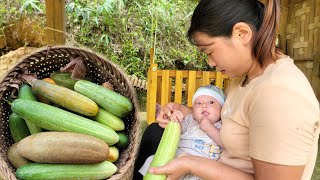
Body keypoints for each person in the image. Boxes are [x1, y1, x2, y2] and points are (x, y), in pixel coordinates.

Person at [133, 0, 320, 179]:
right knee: (154, 132)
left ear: (241, 34)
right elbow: (232, 120)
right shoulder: (243, 76)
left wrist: (192, 164)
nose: (210, 62)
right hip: (217, 163)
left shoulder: (280, 95)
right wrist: (183, 111)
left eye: (209, 52)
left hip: (210, 167)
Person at [139, 85, 226, 180]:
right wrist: (175, 118)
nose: (204, 105)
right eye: (198, 103)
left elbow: (226, 144)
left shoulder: (222, 126)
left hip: (199, 169)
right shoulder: (191, 120)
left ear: (222, 109)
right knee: (151, 160)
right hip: (176, 159)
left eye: (211, 102)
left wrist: (210, 129)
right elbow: (177, 128)